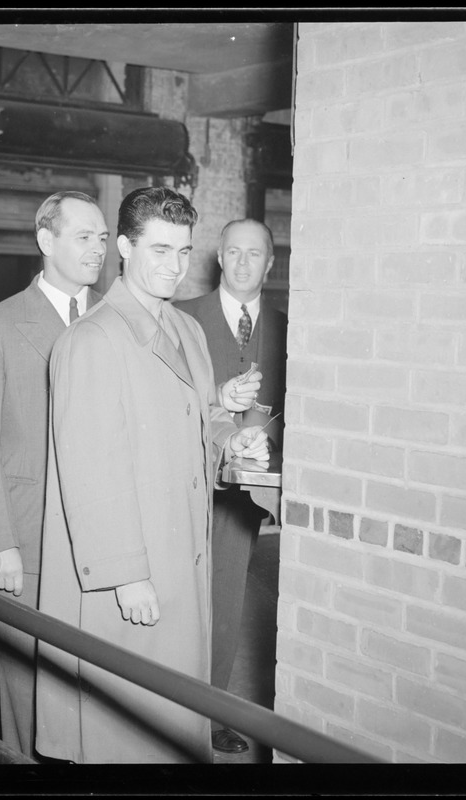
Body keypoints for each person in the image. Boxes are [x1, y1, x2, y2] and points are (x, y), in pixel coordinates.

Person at [35, 186, 270, 764]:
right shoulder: (92, 340)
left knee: (173, 722)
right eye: (158, 250)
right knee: (130, 733)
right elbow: (88, 468)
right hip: (133, 569)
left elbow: (202, 416)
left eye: (184, 251)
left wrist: (229, 438)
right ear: (123, 247)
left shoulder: (184, 328)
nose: (173, 266)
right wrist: (125, 575)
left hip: (182, 552)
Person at [0, 190, 107, 755]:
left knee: (92, 689)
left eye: (101, 237)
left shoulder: (118, 321)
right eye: (83, 237)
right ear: (46, 241)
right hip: (31, 542)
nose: (97, 250)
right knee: (26, 691)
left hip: (103, 541)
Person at [174, 218, 288, 754]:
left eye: (255, 254)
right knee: (178, 597)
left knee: (226, 602)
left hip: (247, 495)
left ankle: (212, 709)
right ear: (219, 257)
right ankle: (166, 705)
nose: (244, 263)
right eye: (234, 252)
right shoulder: (181, 319)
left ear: (271, 263)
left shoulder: (289, 329)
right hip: (186, 483)